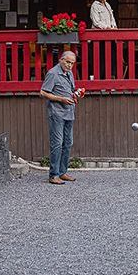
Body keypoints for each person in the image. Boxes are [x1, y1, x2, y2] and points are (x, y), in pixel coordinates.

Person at [40, 50, 80, 185]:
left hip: (69, 112)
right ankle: (53, 175)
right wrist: (61, 99)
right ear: (61, 60)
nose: (70, 65)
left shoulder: (69, 74)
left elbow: (71, 90)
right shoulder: (52, 73)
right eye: (68, 62)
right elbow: (43, 92)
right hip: (56, 113)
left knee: (68, 143)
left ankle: (62, 172)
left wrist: (76, 95)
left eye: (72, 63)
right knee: (57, 143)